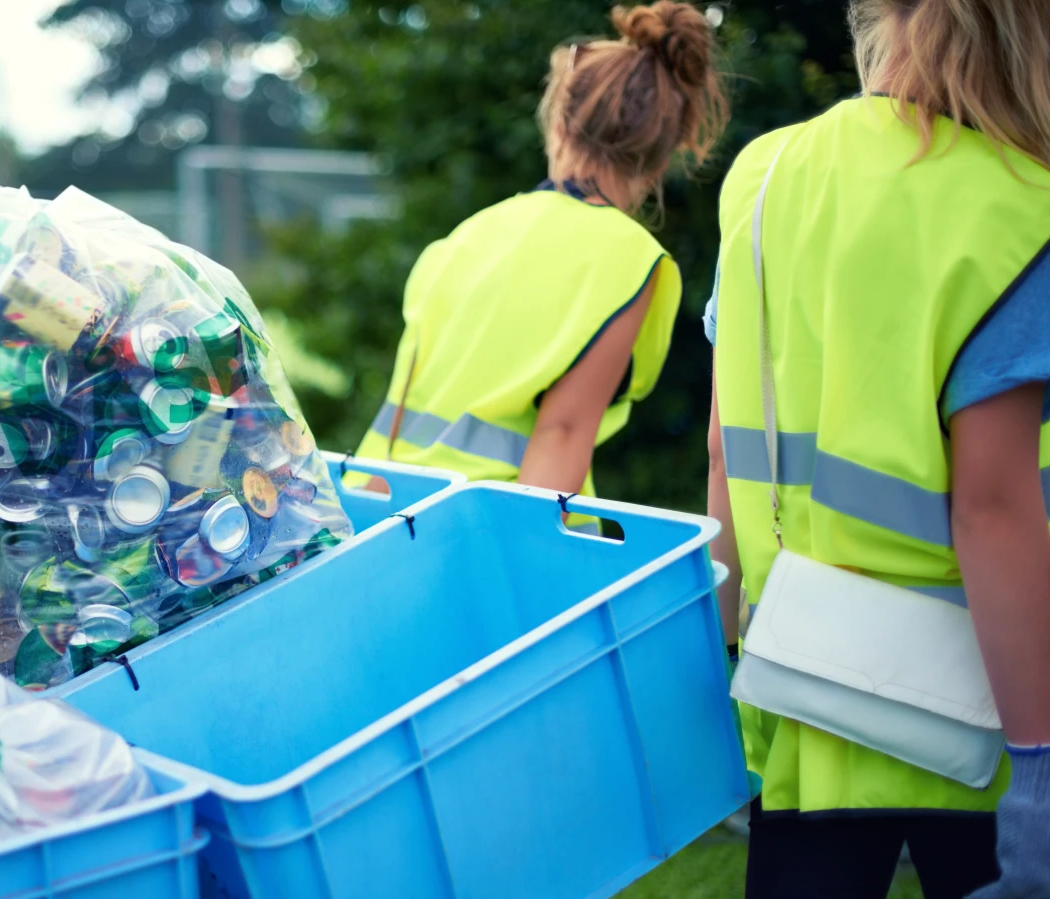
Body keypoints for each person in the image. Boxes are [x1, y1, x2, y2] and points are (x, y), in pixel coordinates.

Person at [704, 1, 1050, 896]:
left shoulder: (764, 174)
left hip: (804, 698)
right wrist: (1043, 767)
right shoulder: (1021, 208)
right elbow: (993, 507)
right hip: (981, 714)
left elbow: (722, 445)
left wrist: (715, 667)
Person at [354, 1, 727, 498]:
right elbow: (563, 434)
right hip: (486, 535)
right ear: (664, 152)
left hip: (377, 511)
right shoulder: (631, 259)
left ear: (560, 123)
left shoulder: (472, 231)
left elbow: (400, 411)